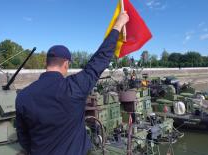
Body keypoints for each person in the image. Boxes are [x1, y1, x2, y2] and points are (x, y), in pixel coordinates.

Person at [15, 12, 129, 155]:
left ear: (47, 63)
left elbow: (23, 138)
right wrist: (118, 24)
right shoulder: (74, 87)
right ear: (66, 64)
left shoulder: (23, 96)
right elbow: (99, 60)